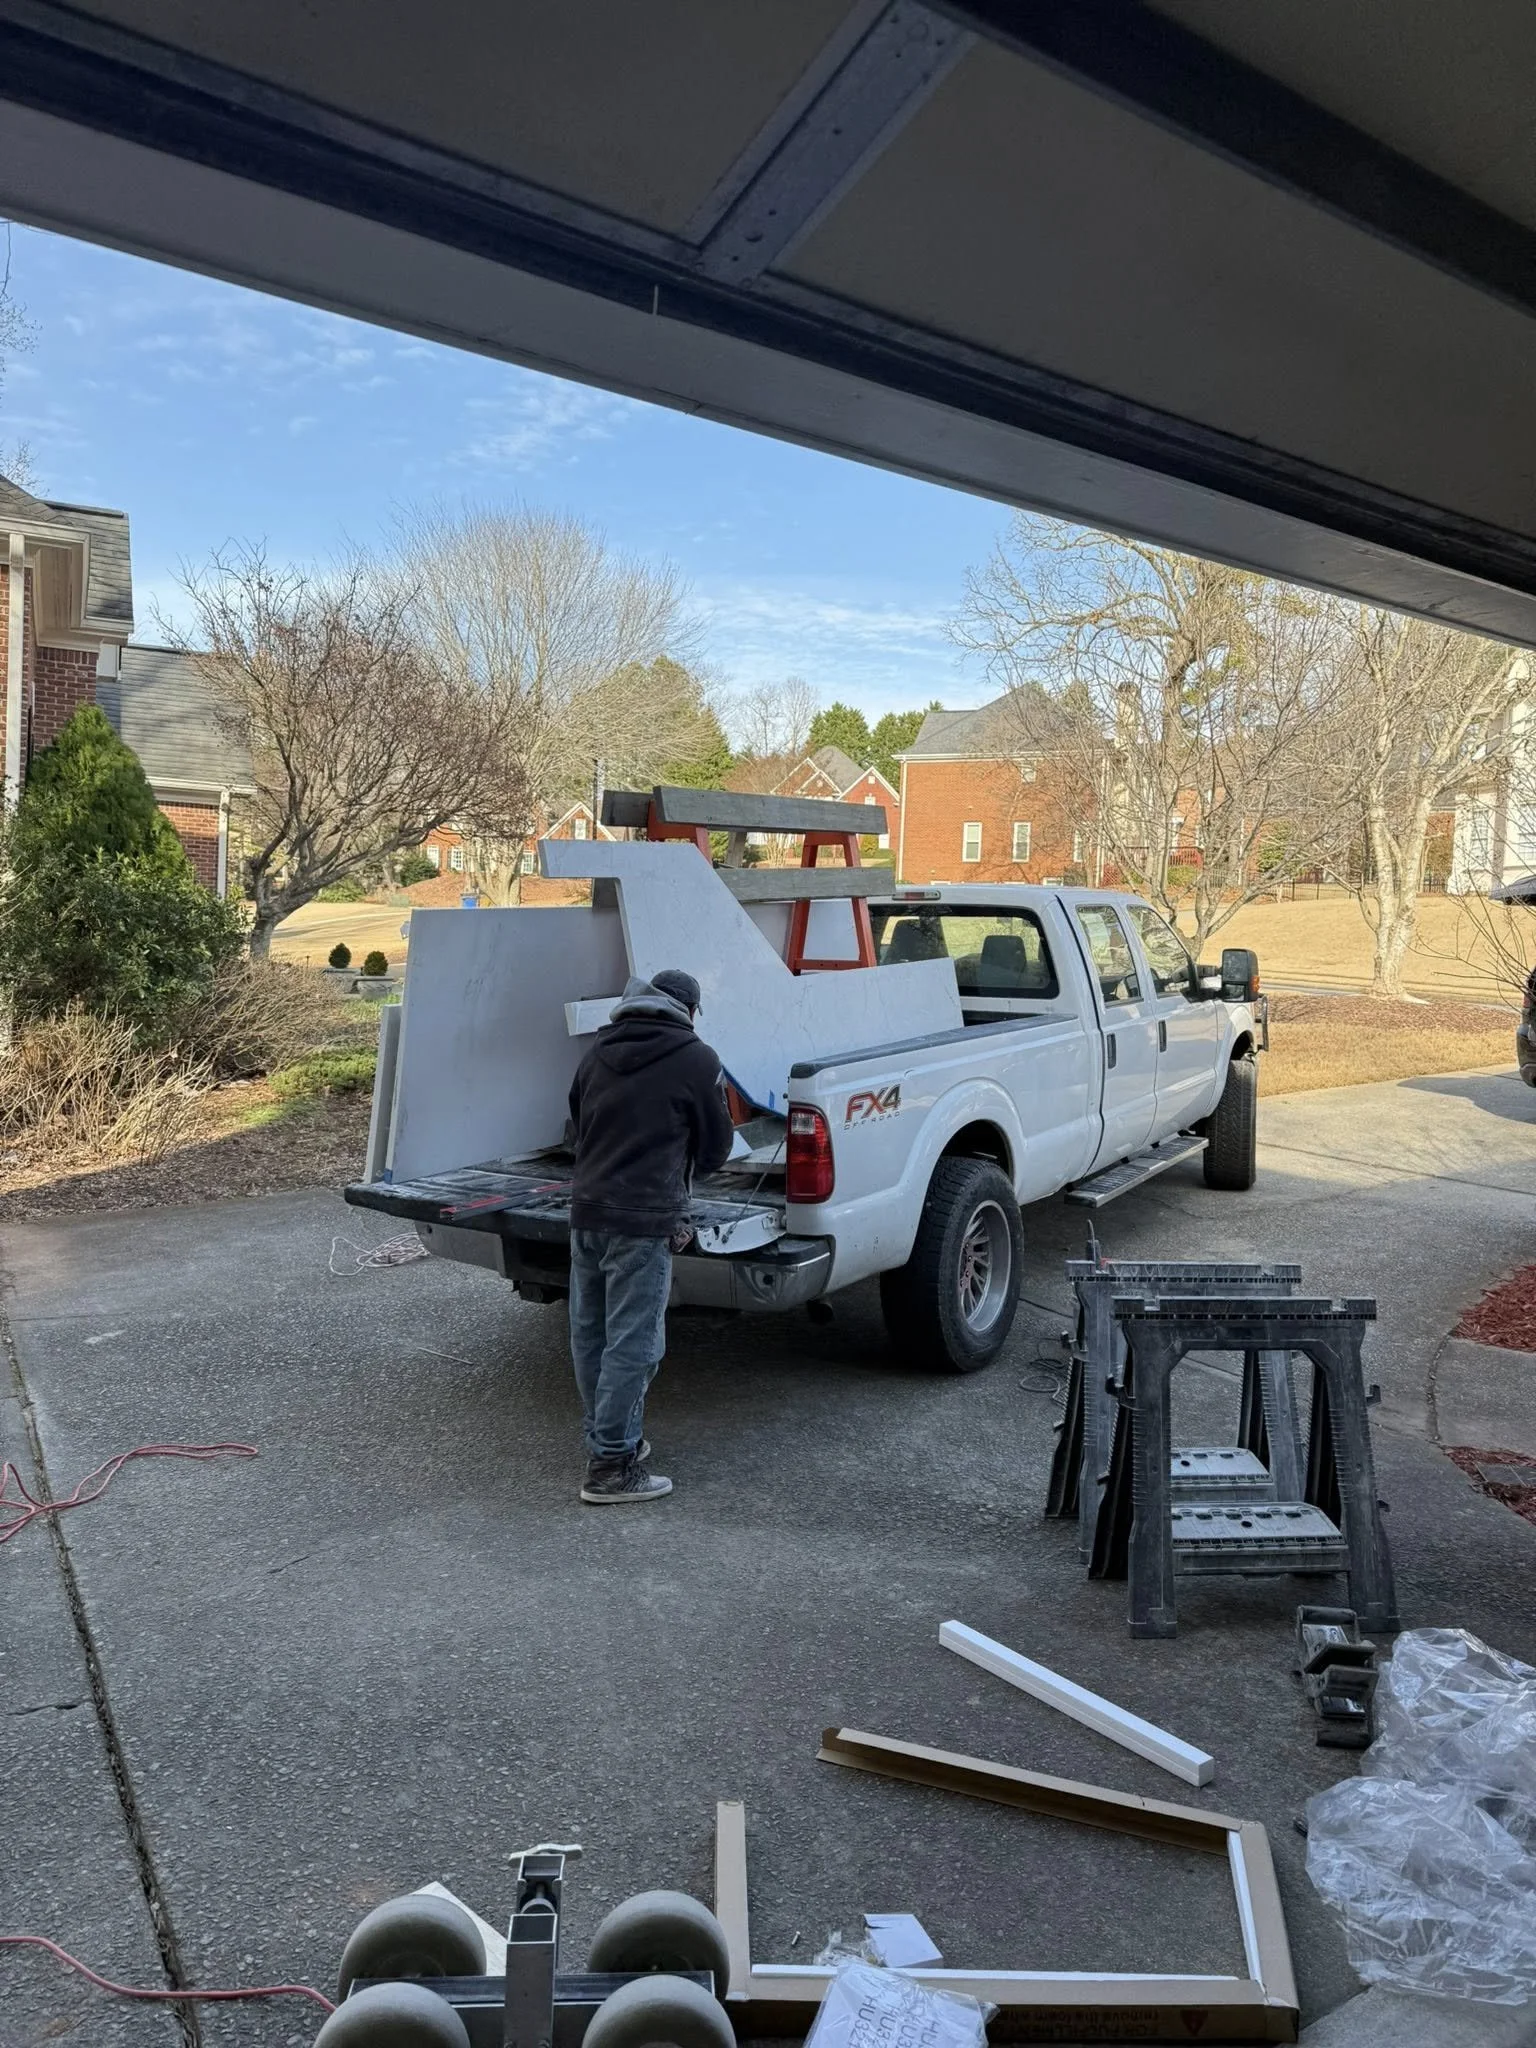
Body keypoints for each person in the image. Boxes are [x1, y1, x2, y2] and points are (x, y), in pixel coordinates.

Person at [566, 967, 735, 1504]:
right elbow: (715, 1148)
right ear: (688, 1009)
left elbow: (575, 1123)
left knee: (591, 1334)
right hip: (643, 1220)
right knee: (635, 1344)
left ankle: (610, 1439)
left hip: (586, 1212)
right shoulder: (696, 1058)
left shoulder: (597, 1050)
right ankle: (612, 1467)